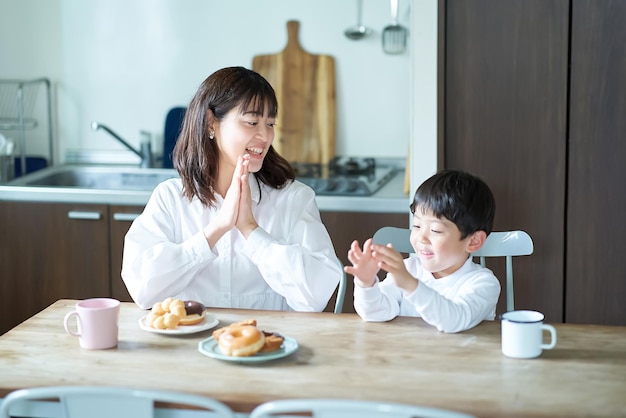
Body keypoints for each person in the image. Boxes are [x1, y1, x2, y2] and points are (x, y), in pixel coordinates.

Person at [122, 66, 342, 312]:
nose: (265, 135)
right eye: (251, 122)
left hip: (269, 346)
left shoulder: (294, 198)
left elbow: (316, 297)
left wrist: (251, 230)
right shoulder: (170, 198)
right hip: (191, 348)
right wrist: (216, 230)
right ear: (210, 123)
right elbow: (142, 290)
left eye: (270, 123)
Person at [345, 169, 501, 333]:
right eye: (417, 226)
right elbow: (376, 313)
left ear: (473, 241)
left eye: (435, 230)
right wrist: (366, 283)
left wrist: (411, 285)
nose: (421, 238)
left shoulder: (484, 283)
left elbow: (454, 319)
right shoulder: (409, 268)